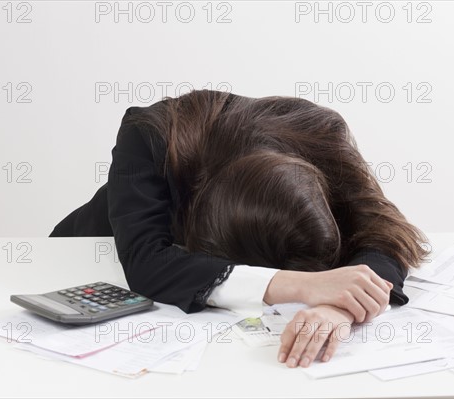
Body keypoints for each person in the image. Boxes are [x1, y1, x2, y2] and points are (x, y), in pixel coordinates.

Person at [50, 89, 430, 368]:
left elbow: (387, 234)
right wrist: (302, 286)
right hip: (77, 265)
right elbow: (145, 261)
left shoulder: (323, 137)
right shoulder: (150, 137)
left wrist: (339, 307)